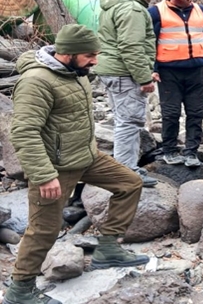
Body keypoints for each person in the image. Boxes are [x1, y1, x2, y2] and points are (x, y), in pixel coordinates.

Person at [4, 25, 149, 304]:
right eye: (89, 55)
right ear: (67, 52)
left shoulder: (76, 72)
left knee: (130, 183)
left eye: (96, 53)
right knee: (44, 229)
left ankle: (108, 250)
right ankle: (20, 291)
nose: (95, 60)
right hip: (55, 167)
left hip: (86, 157)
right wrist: (45, 175)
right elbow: (23, 132)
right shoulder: (37, 81)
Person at [95, 0, 160, 187]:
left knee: (123, 121)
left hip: (112, 70)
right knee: (129, 122)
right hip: (123, 73)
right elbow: (131, 47)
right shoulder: (132, 9)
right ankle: (126, 172)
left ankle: (121, 167)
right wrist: (144, 78)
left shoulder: (114, 3)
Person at [148, 0, 203, 167]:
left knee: (196, 112)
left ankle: (191, 151)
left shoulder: (200, 10)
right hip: (169, 72)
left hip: (197, 70)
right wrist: (152, 68)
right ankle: (169, 150)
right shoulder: (156, 12)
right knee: (171, 113)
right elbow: (149, 42)